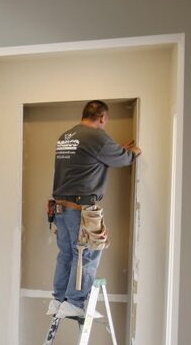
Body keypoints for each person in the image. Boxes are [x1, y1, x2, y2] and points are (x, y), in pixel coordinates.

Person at [48, 100, 141, 319]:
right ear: (102, 117)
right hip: (81, 210)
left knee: (68, 255)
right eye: (105, 121)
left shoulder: (66, 136)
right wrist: (133, 152)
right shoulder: (97, 137)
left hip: (62, 208)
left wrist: (118, 150)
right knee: (87, 254)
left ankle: (59, 300)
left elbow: (91, 159)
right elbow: (122, 158)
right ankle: (76, 302)